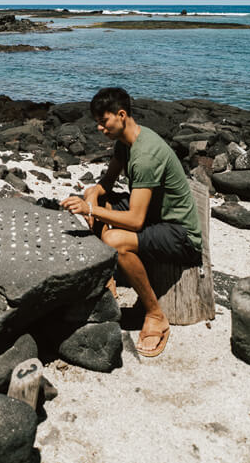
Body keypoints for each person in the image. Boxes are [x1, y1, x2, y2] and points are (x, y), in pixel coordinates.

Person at [61, 86, 202, 358]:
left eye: (104, 122)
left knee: (115, 240)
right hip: (154, 214)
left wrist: (90, 209)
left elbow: (136, 221)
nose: (100, 128)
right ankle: (108, 276)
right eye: (98, 123)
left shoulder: (145, 156)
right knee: (94, 198)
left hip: (180, 232)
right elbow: (106, 184)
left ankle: (155, 313)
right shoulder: (125, 143)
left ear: (121, 115)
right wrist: (93, 196)